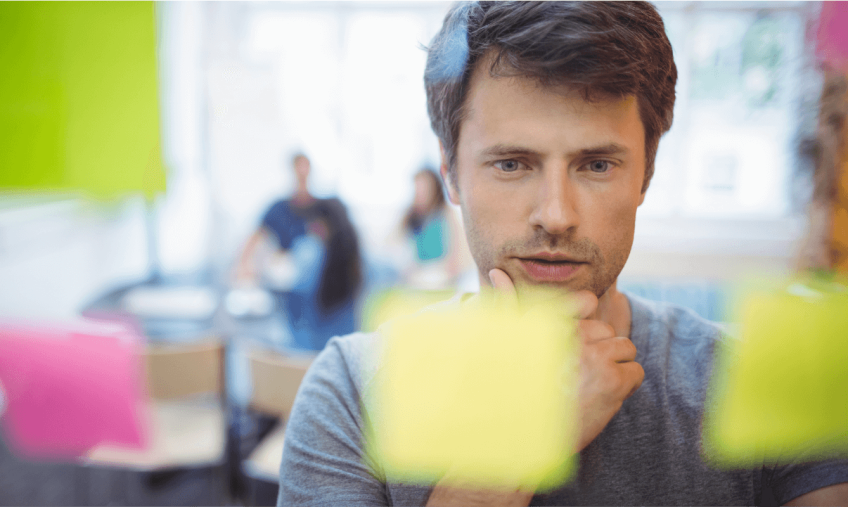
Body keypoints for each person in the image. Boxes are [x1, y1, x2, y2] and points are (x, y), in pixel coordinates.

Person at [277, 2, 848, 506]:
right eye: (512, 164)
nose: (555, 214)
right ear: (451, 173)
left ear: (647, 172)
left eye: (596, 165)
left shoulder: (760, 381)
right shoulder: (352, 390)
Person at [287, 198, 363, 350]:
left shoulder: (308, 252)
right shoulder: (358, 259)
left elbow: (291, 288)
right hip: (344, 350)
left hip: (305, 351)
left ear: (321, 225)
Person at [234, 152, 318, 283]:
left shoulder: (321, 209)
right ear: (293, 170)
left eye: (305, 167)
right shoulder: (279, 208)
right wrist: (243, 264)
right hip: (284, 271)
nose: (302, 171)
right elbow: (255, 236)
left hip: (313, 277)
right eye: (299, 167)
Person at [392, 167, 469, 290]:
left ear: (434, 189)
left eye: (424, 189)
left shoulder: (447, 214)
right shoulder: (409, 216)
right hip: (415, 276)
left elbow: (458, 254)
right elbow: (395, 244)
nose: (420, 193)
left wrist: (451, 269)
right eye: (417, 189)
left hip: (442, 276)